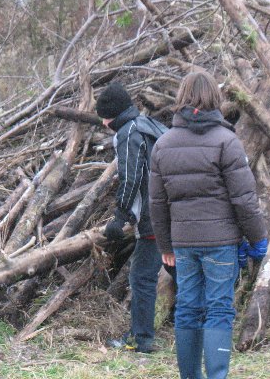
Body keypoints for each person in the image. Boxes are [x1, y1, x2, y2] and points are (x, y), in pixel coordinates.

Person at [148, 71, 268, 379]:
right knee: (219, 309)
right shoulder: (227, 141)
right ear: (216, 97)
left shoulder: (163, 145)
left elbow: (157, 203)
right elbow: (244, 200)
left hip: (183, 244)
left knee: (187, 307)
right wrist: (257, 239)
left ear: (181, 98)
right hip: (221, 243)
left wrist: (165, 246)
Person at [96, 82, 176, 354]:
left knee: (141, 276)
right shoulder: (150, 125)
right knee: (184, 272)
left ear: (113, 115)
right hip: (177, 214)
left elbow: (131, 178)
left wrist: (119, 217)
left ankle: (141, 339)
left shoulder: (128, 133)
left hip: (155, 219)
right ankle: (204, 326)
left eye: (104, 117)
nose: (103, 123)